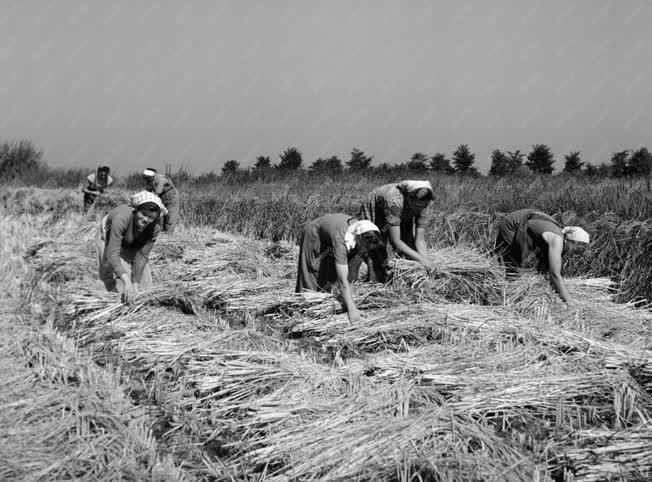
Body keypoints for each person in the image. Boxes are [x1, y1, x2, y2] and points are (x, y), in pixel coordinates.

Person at [295, 213, 384, 323]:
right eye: (365, 247)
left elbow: (351, 275)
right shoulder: (341, 239)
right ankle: (303, 310)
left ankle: (322, 303)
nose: (365, 250)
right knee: (314, 271)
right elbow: (343, 280)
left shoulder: (363, 240)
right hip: (315, 234)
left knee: (330, 273)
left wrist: (350, 306)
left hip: (332, 236)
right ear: (359, 238)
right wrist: (352, 310)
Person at [494, 209, 590, 305]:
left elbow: (549, 265)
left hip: (528, 218)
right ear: (569, 240)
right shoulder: (557, 240)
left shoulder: (560, 237)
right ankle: (505, 294)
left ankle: (515, 289)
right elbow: (555, 274)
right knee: (513, 263)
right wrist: (570, 302)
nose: (573, 252)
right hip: (513, 223)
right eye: (576, 248)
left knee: (541, 265)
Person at [96, 191, 167, 305]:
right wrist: (127, 282)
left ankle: (135, 302)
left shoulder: (154, 227)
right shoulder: (121, 218)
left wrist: (135, 284)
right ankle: (104, 301)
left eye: (151, 217)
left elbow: (142, 256)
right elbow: (112, 254)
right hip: (110, 232)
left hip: (134, 236)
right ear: (135, 210)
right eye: (143, 214)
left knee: (144, 281)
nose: (146, 220)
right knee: (108, 269)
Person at [358, 180, 436, 280]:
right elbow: (396, 240)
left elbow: (420, 239)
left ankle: (403, 277)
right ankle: (377, 279)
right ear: (409, 199)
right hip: (378, 207)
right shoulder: (394, 202)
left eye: (423, 207)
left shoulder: (426, 205)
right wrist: (421, 259)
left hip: (403, 209)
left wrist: (426, 261)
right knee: (376, 242)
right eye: (417, 206)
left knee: (408, 242)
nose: (419, 210)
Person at [142, 168, 180, 233]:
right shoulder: (150, 180)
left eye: (146, 177)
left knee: (170, 215)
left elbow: (158, 191)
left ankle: (169, 233)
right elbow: (147, 191)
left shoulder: (161, 178)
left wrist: (154, 196)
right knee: (160, 214)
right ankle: (160, 231)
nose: (146, 179)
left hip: (171, 196)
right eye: (145, 178)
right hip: (161, 197)